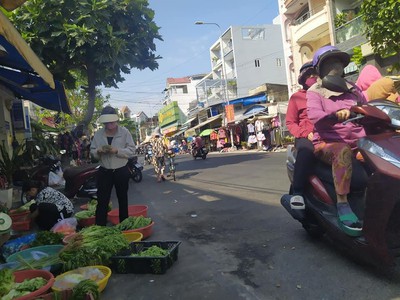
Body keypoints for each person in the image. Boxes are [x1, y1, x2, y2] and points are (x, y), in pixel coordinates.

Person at [307, 45, 367, 236]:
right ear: (320, 69)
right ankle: (342, 203)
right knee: (342, 151)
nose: (336, 66)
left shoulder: (354, 88)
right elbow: (315, 116)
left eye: (338, 61)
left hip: (359, 142)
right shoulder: (315, 91)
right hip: (328, 143)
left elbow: (367, 107)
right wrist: (335, 114)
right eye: (330, 62)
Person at [90, 106, 136, 226]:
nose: (110, 124)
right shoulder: (98, 134)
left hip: (121, 170)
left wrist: (117, 151)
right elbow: (93, 153)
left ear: (116, 120)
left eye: (112, 121)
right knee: (102, 201)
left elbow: (132, 150)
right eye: (107, 122)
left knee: (122, 199)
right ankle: (100, 227)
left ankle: (124, 225)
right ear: (103, 122)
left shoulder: (124, 132)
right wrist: (98, 152)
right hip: (105, 171)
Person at [285, 61, 318, 211]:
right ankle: (297, 192)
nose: (313, 78)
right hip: (306, 136)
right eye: (309, 75)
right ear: (302, 79)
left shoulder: (326, 94)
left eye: (315, 74)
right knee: (306, 152)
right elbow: (291, 122)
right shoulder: (296, 97)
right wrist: (304, 133)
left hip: (326, 134)